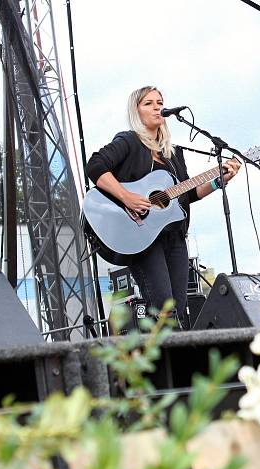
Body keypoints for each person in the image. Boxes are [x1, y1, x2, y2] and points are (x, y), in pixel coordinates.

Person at [86, 85, 241, 328]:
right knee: (162, 310)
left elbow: (186, 195)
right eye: (148, 103)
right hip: (141, 236)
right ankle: (163, 362)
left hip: (174, 238)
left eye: (159, 102)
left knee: (177, 309)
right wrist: (126, 196)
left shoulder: (173, 154)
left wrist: (217, 181)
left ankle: (171, 359)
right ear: (136, 111)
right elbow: (95, 166)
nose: (157, 107)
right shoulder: (128, 141)